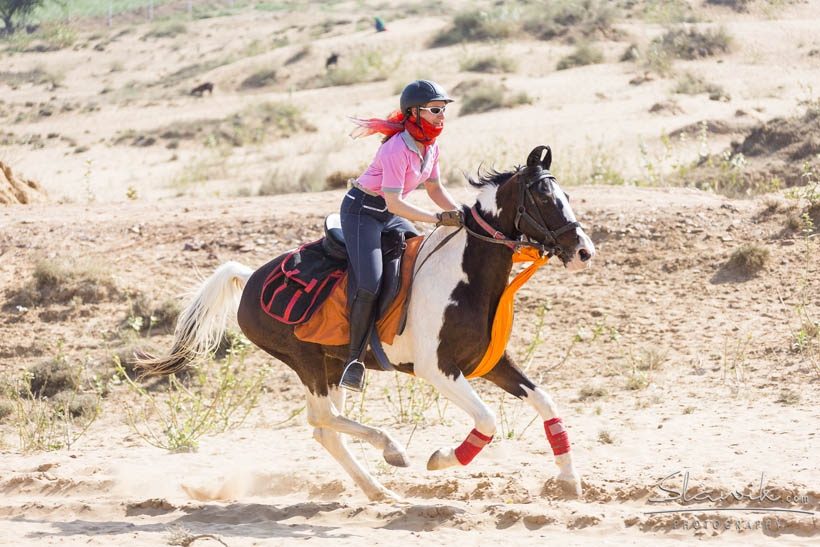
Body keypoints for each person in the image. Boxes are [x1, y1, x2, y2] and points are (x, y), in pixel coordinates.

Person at [339, 79, 464, 391]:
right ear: (415, 113)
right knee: (370, 282)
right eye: (436, 110)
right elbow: (394, 201)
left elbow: (434, 188)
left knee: (420, 261)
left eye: (444, 110)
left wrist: (463, 215)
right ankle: (353, 361)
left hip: (389, 215)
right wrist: (438, 218)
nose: (441, 116)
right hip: (363, 213)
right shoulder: (397, 148)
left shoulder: (431, 146)